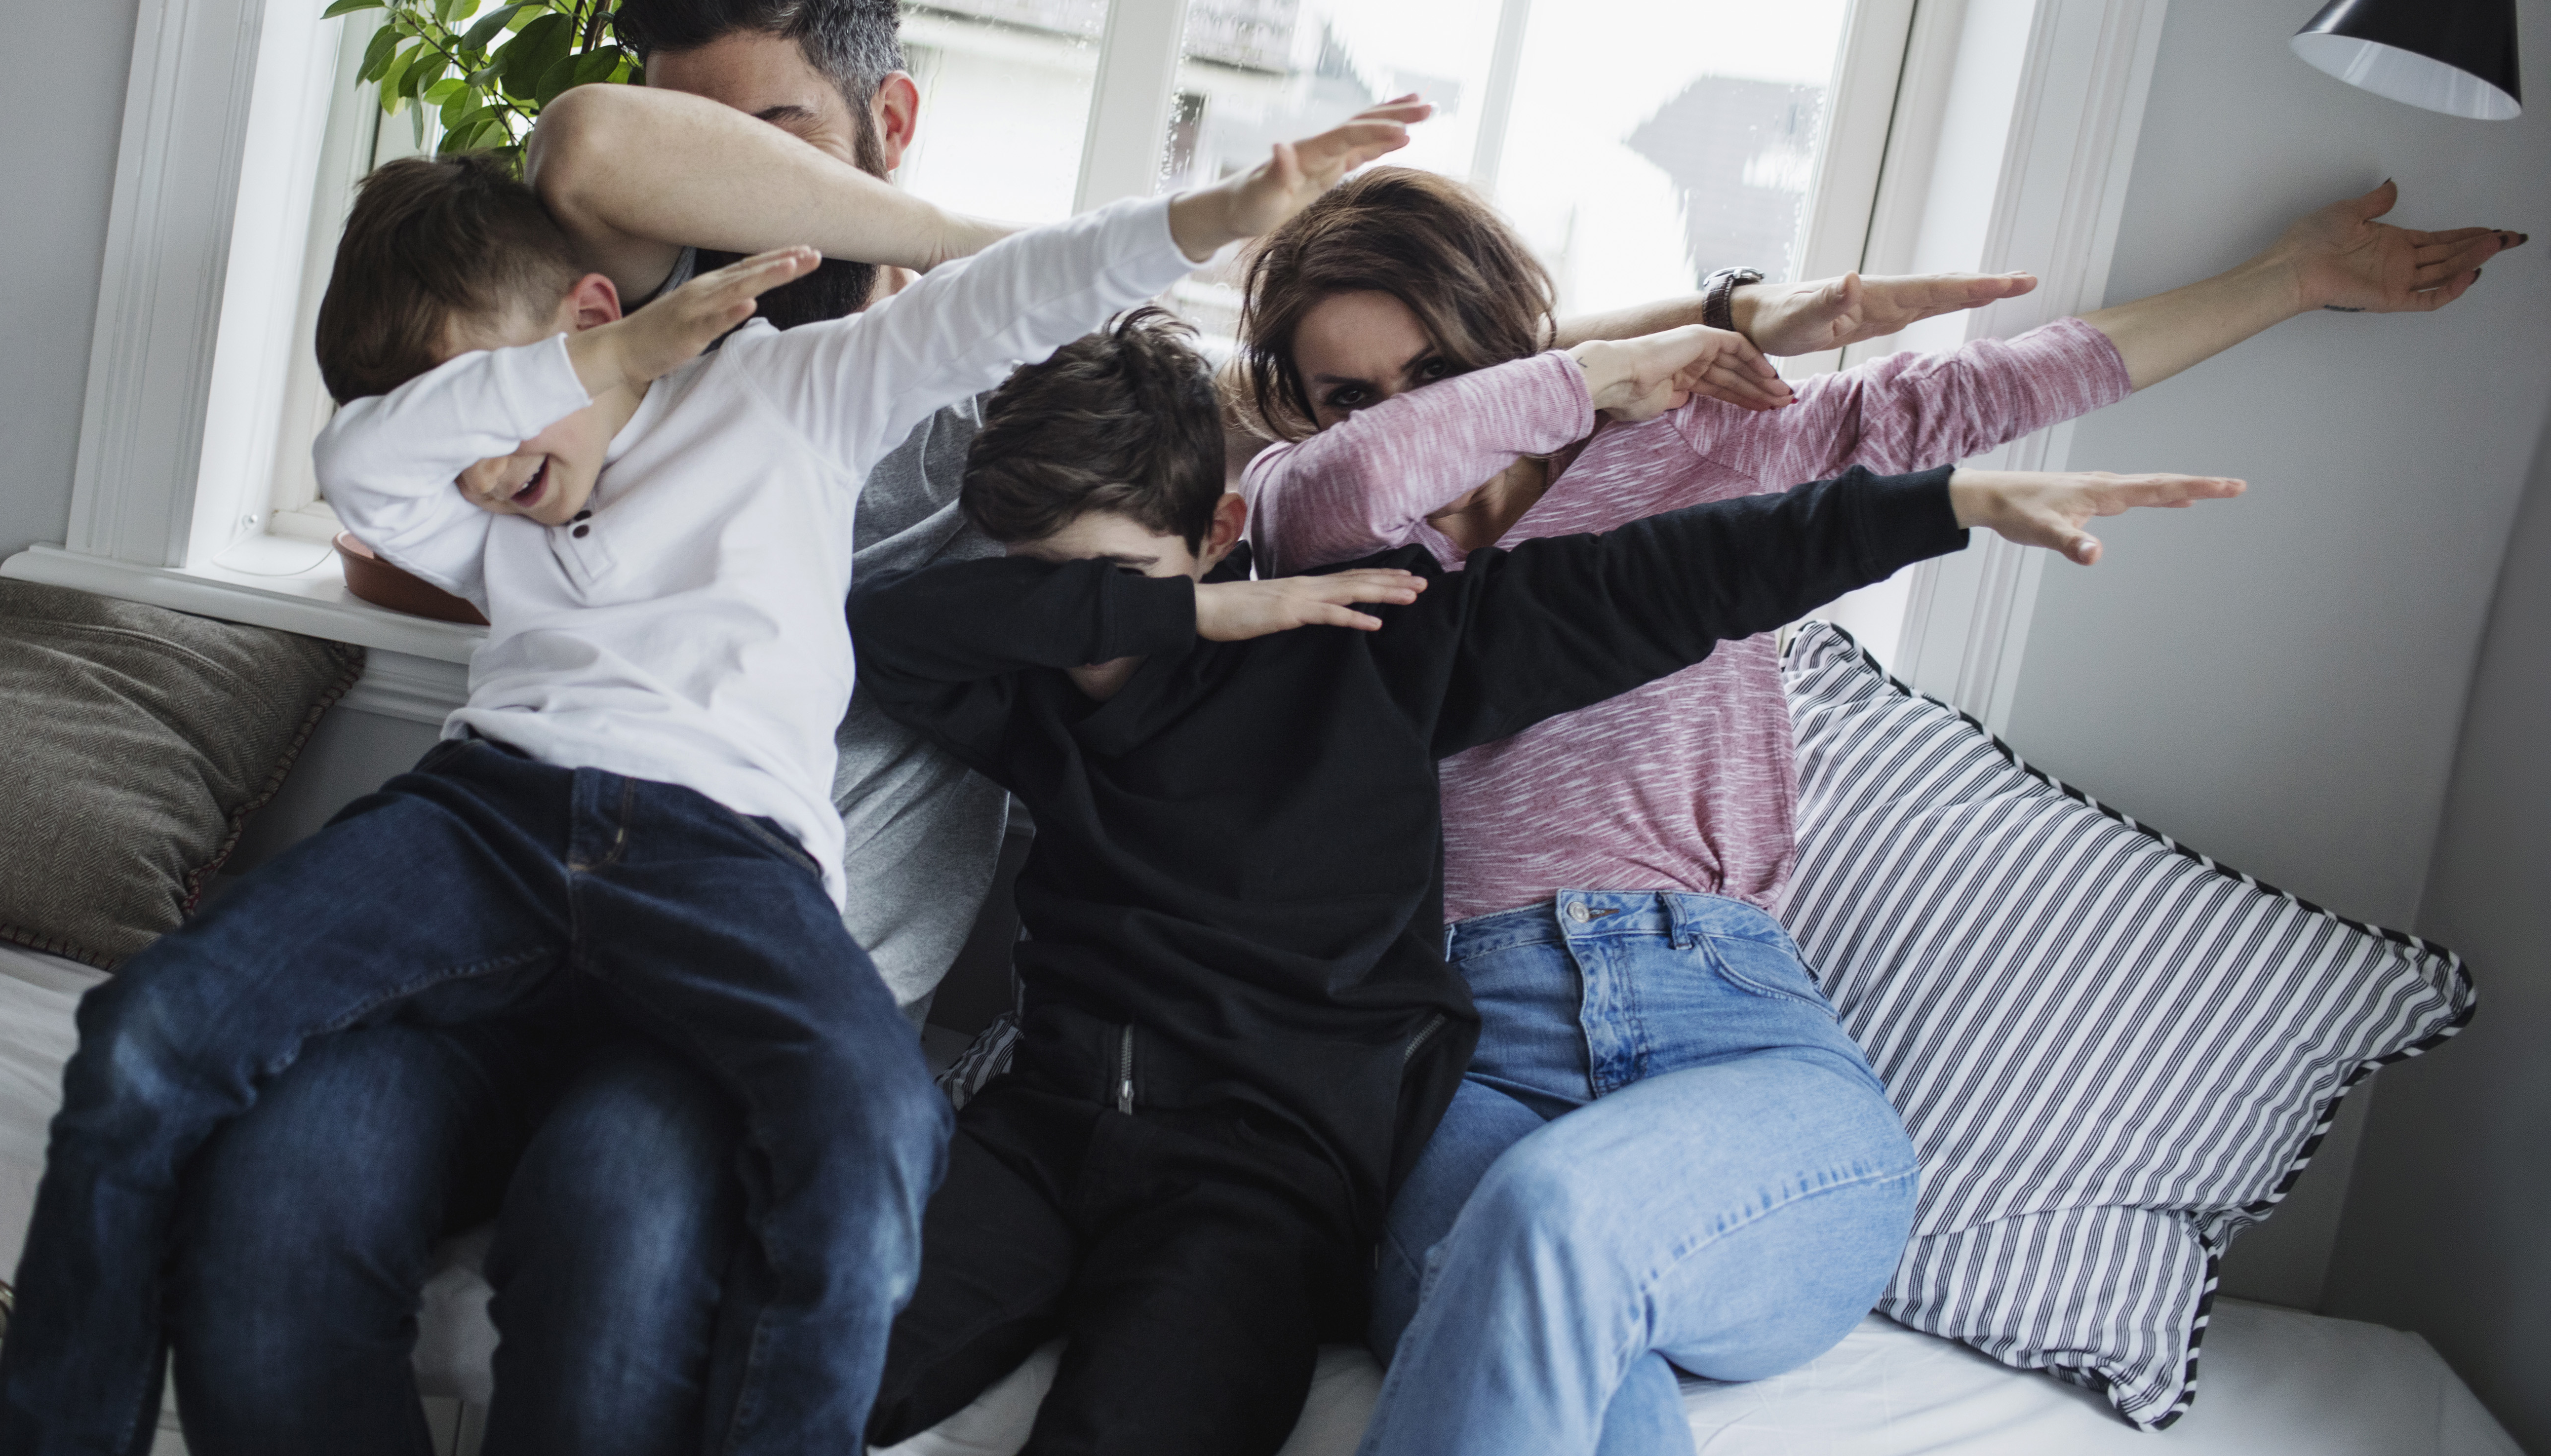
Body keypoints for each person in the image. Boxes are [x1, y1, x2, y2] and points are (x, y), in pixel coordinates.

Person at [0, 73, 1416, 1456]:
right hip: (490, 822)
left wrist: (1215, 218)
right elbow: (364, 467)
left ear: (593, 306)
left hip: (716, 857)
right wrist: (580, 376)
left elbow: (1010, 299)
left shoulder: (790, 395)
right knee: (148, 1036)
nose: (483, 464)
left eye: (497, 399)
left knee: (873, 1129)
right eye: (466, 421)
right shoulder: (495, 505)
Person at [1227, 166, 2520, 1456]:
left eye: (1439, 368)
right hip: (1465, 1060)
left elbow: (1996, 388)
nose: (1406, 415)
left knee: (1554, 1216)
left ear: (1504, 339)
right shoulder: (1321, 527)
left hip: (1735, 1041)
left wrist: (2288, 278)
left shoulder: (1696, 448)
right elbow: (1356, 469)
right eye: (1351, 395)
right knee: (1553, 1299)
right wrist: (1637, 348)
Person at [847, 308, 2240, 1456]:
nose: (1073, 639)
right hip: (1060, 1131)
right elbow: (887, 625)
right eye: (1045, 595)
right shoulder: (1040, 690)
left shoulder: (1368, 648)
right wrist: (1179, 608)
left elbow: (1666, 581)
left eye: (1109, 584)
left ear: (1216, 527)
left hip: (1271, 1177)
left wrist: (1944, 503)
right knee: (809, 1350)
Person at [158, 0, 1039, 1454]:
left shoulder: (1007, 426)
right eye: (703, 150)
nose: (737, 202)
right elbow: (580, 149)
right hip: (506, 932)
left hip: (741, 1010)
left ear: (888, 126)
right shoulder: (609, 355)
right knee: (282, 1187)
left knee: (610, 1225)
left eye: (776, 142)